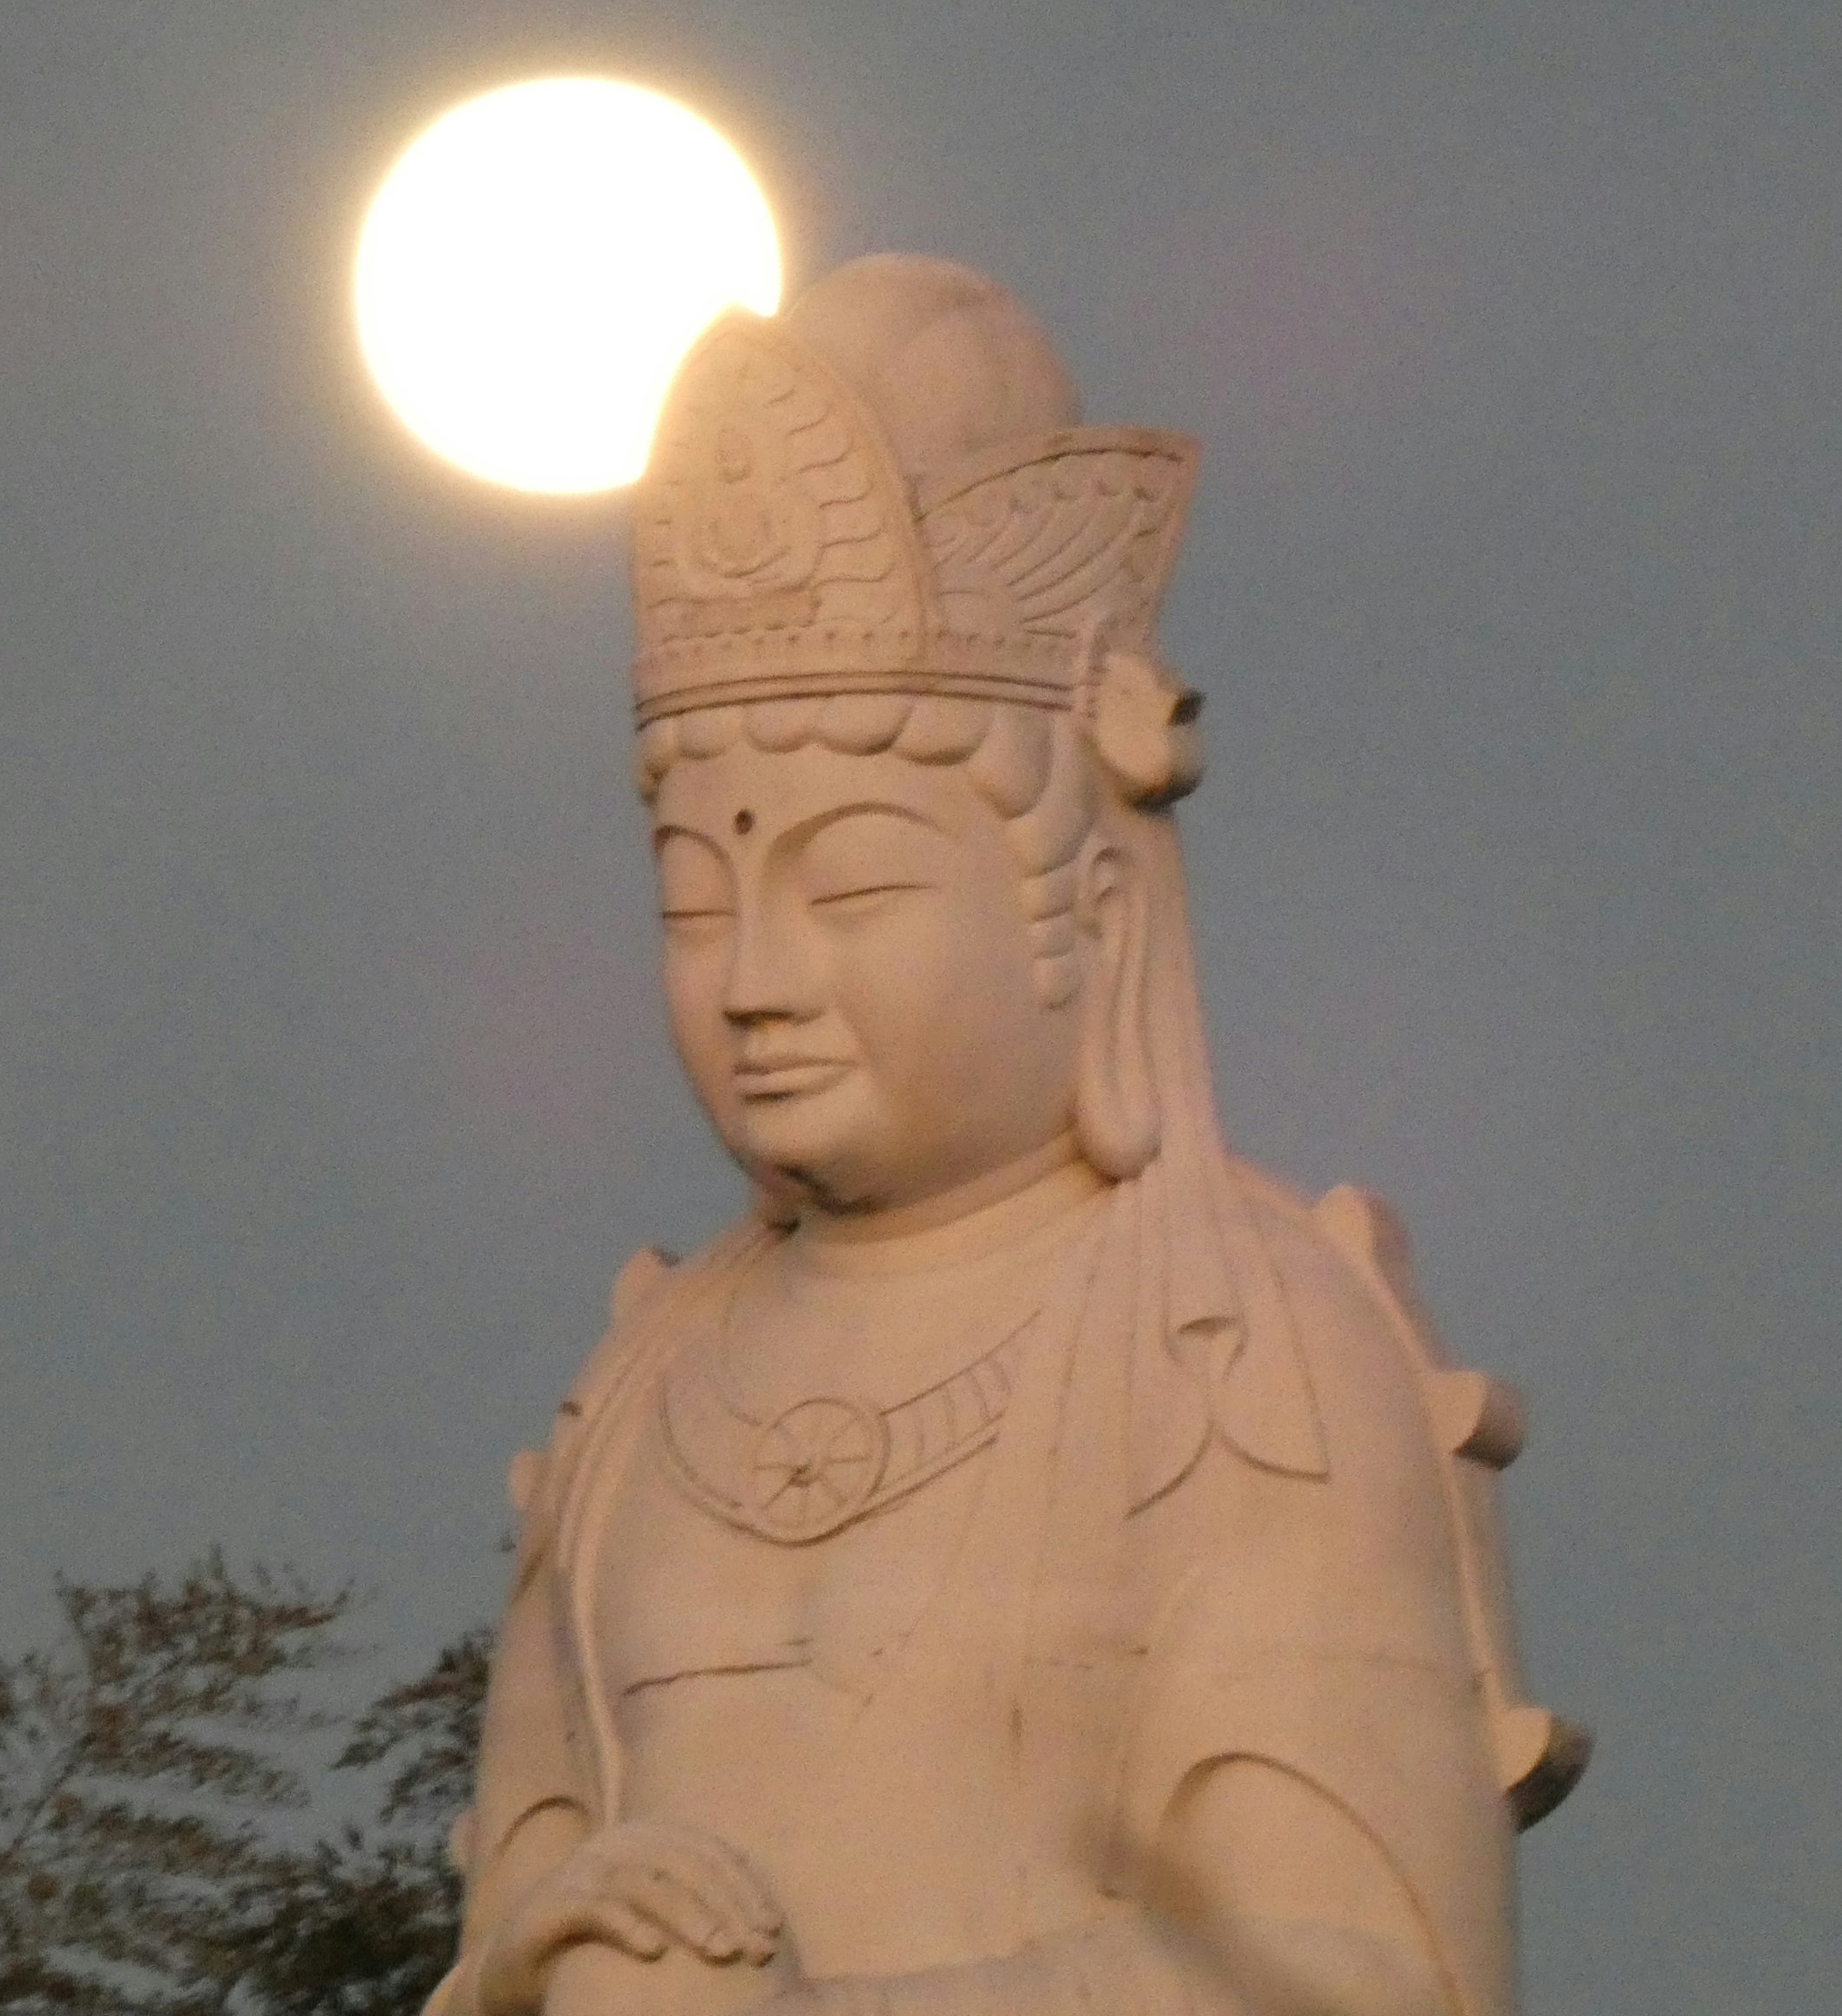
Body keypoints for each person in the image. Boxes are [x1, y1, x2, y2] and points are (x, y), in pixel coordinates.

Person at [425, 258, 1580, 2016]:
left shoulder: (1227, 1348)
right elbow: (494, 1942)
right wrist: (546, 1953)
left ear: (1078, 903)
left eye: (860, 885)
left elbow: (1361, 1986)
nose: (756, 980)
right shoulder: (639, 1398)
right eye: (692, 901)